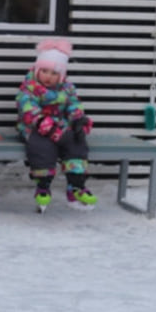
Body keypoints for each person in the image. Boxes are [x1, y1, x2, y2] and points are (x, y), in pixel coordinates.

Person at [16, 37, 97, 211]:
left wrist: (77, 119)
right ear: (37, 70)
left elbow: (73, 104)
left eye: (54, 73)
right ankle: (43, 185)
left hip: (60, 128)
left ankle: (76, 185)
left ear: (61, 76)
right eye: (44, 71)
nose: (48, 77)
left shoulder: (66, 88)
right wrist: (44, 124)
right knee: (42, 146)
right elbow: (28, 109)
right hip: (35, 128)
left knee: (76, 141)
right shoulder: (29, 88)